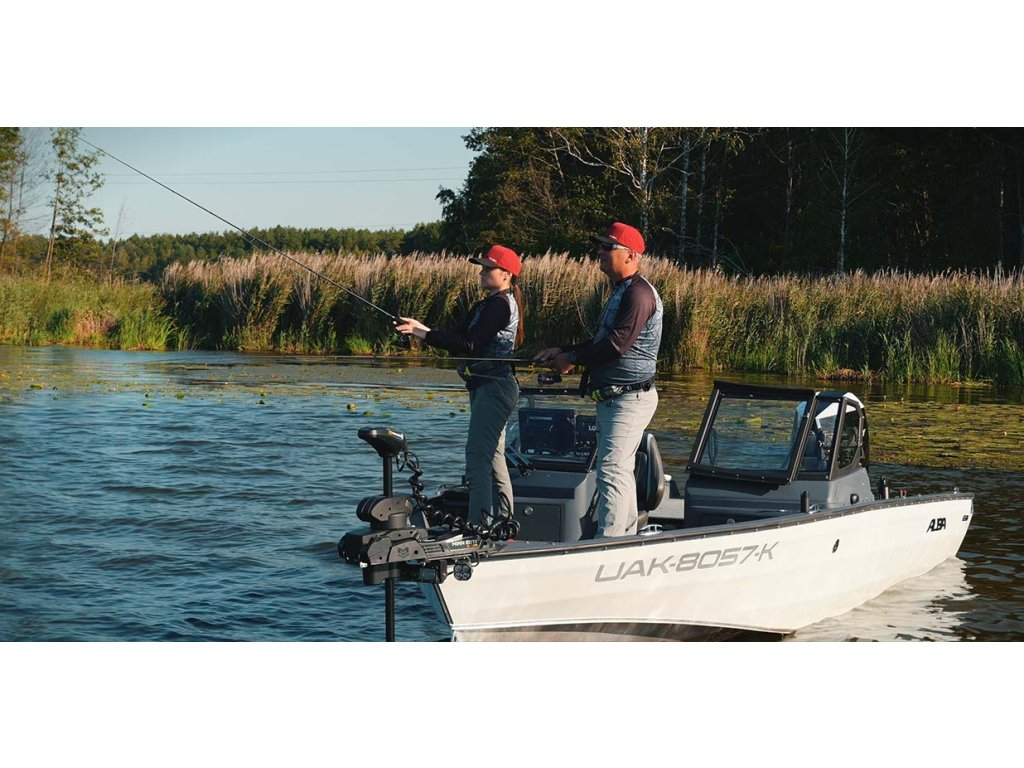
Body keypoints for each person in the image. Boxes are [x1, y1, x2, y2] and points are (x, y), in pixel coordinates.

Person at [534, 222, 662, 538]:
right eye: (600, 247)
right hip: (616, 397)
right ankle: (624, 536)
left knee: (611, 470)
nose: (600, 252)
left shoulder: (639, 294)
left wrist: (572, 359)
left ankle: (609, 541)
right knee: (619, 470)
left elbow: (617, 345)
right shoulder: (623, 290)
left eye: (608, 247)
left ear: (630, 256)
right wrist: (563, 350)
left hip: (629, 398)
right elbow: (602, 341)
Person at [395, 245, 524, 525]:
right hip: (486, 386)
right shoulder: (488, 304)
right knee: (493, 458)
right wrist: (421, 329)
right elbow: (457, 338)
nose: (481, 272)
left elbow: (469, 345)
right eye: (482, 267)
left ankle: (479, 526)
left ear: (506, 274)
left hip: (495, 388)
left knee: (477, 458)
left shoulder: (500, 305)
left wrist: (423, 334)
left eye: (488, 268)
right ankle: (504, 523)